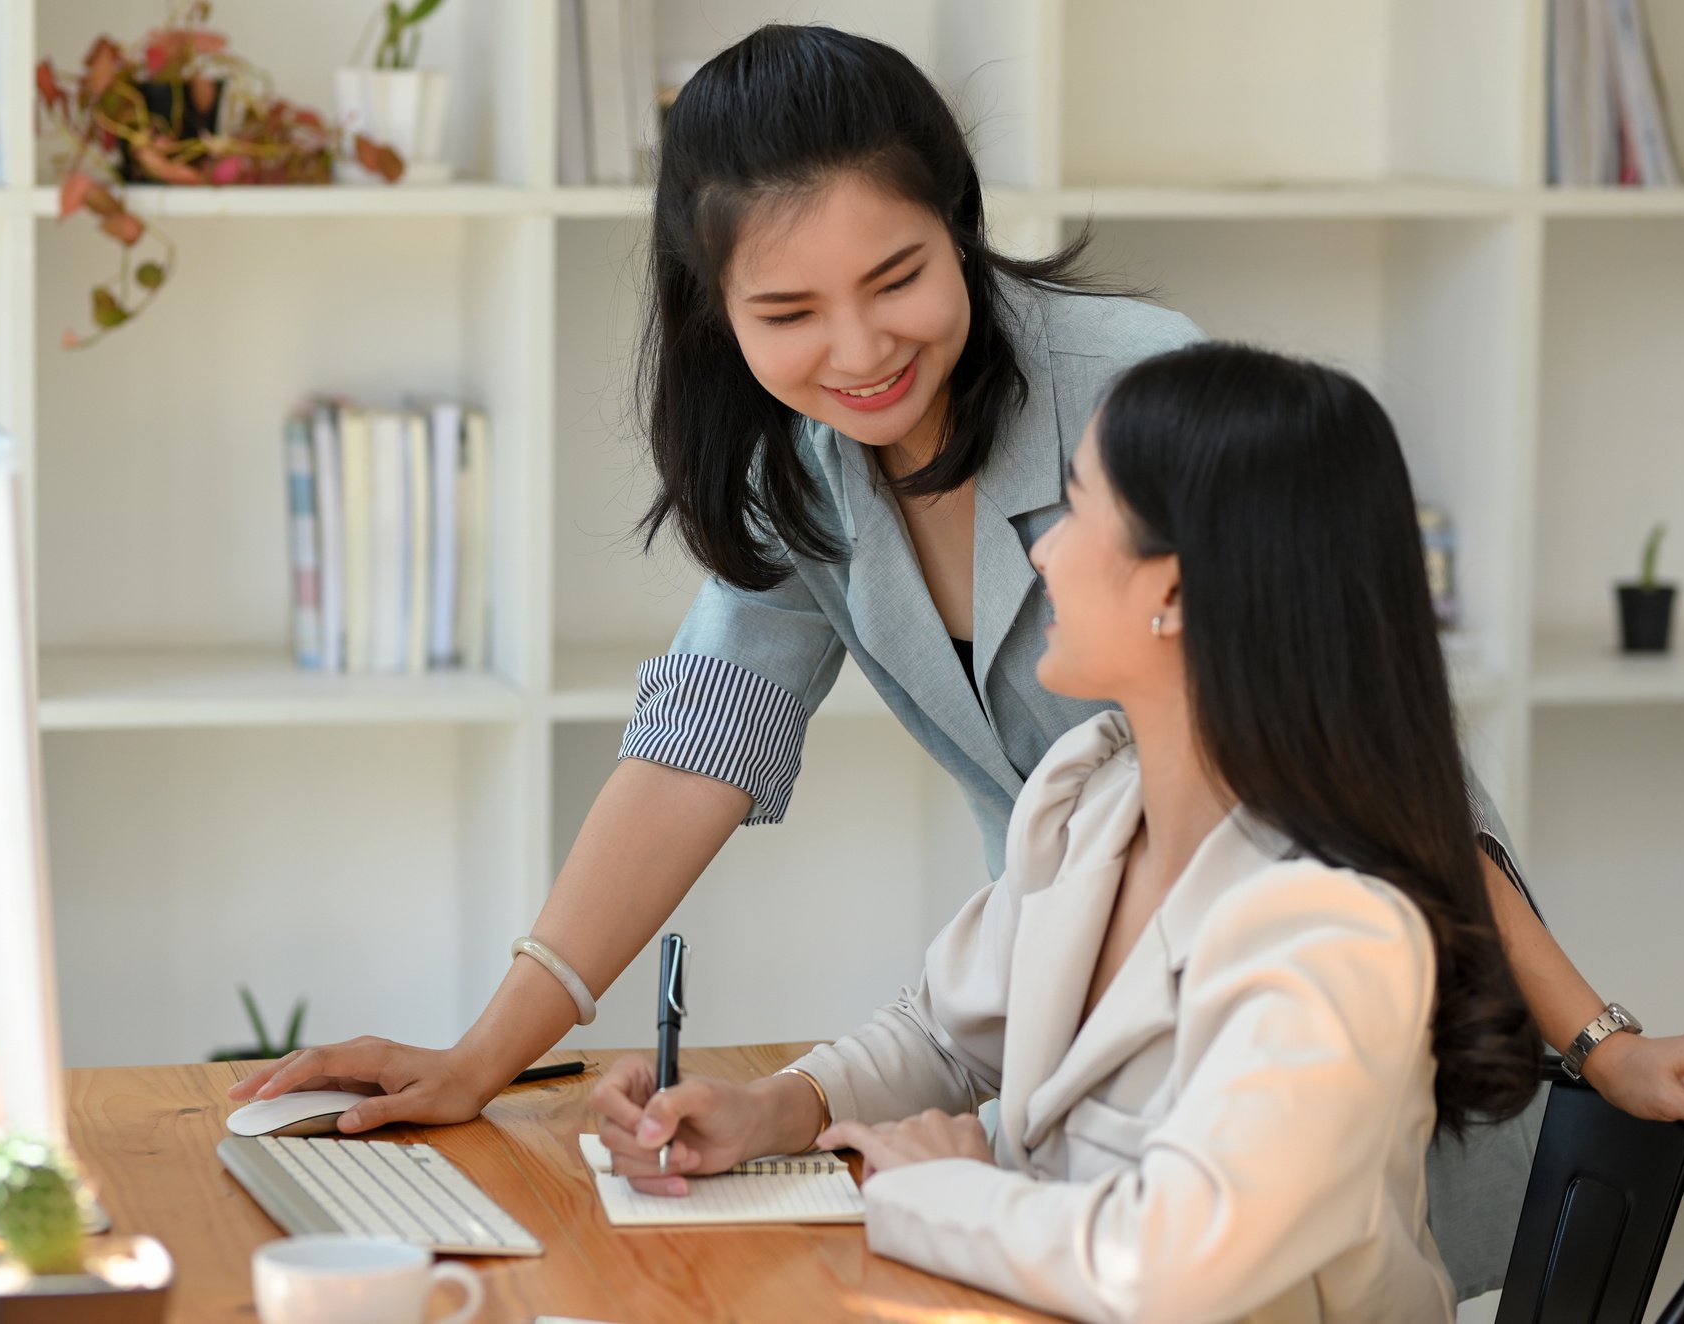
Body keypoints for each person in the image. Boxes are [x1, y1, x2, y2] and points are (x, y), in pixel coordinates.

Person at [233, 24, 1684, 1295]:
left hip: (1267, 1074)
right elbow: (700, 740)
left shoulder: (1136, 402)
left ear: (955, 220)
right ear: (716, 316)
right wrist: (490, 1055)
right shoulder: (824, 490)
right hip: (1065, 1077)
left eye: (894, 276)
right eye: (785, 312)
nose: (855, 349)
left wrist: (1591, 1035)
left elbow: (1365, 747)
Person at [593, 342, 1543, 1322]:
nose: (1039, 550)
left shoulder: (1335, 932)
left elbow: (1172, 1266)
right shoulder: (1091, 797)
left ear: (1173, 591)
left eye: (1077, 508)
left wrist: (941, 1186)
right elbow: (948, 1032)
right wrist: (774, 1112)